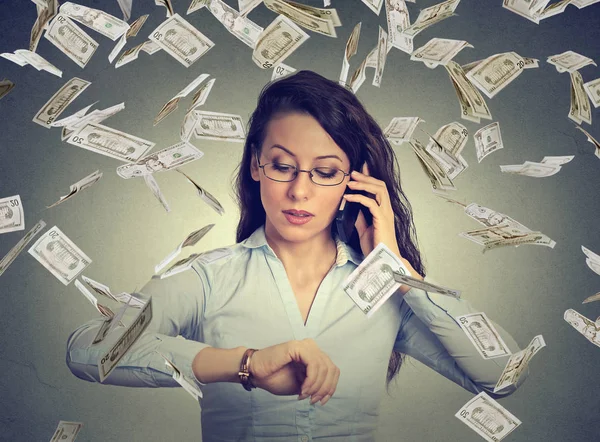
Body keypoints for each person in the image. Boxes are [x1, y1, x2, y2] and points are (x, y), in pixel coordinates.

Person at [66, 70, 528, 441]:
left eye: (326, 172)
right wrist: (244, 364)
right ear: (255, 164)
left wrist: (396, 267)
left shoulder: (386, 292)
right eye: (283, 166)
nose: (299, 190)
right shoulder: (209, 279)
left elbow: (504, 375)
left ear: (357, 183)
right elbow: (88, 348)